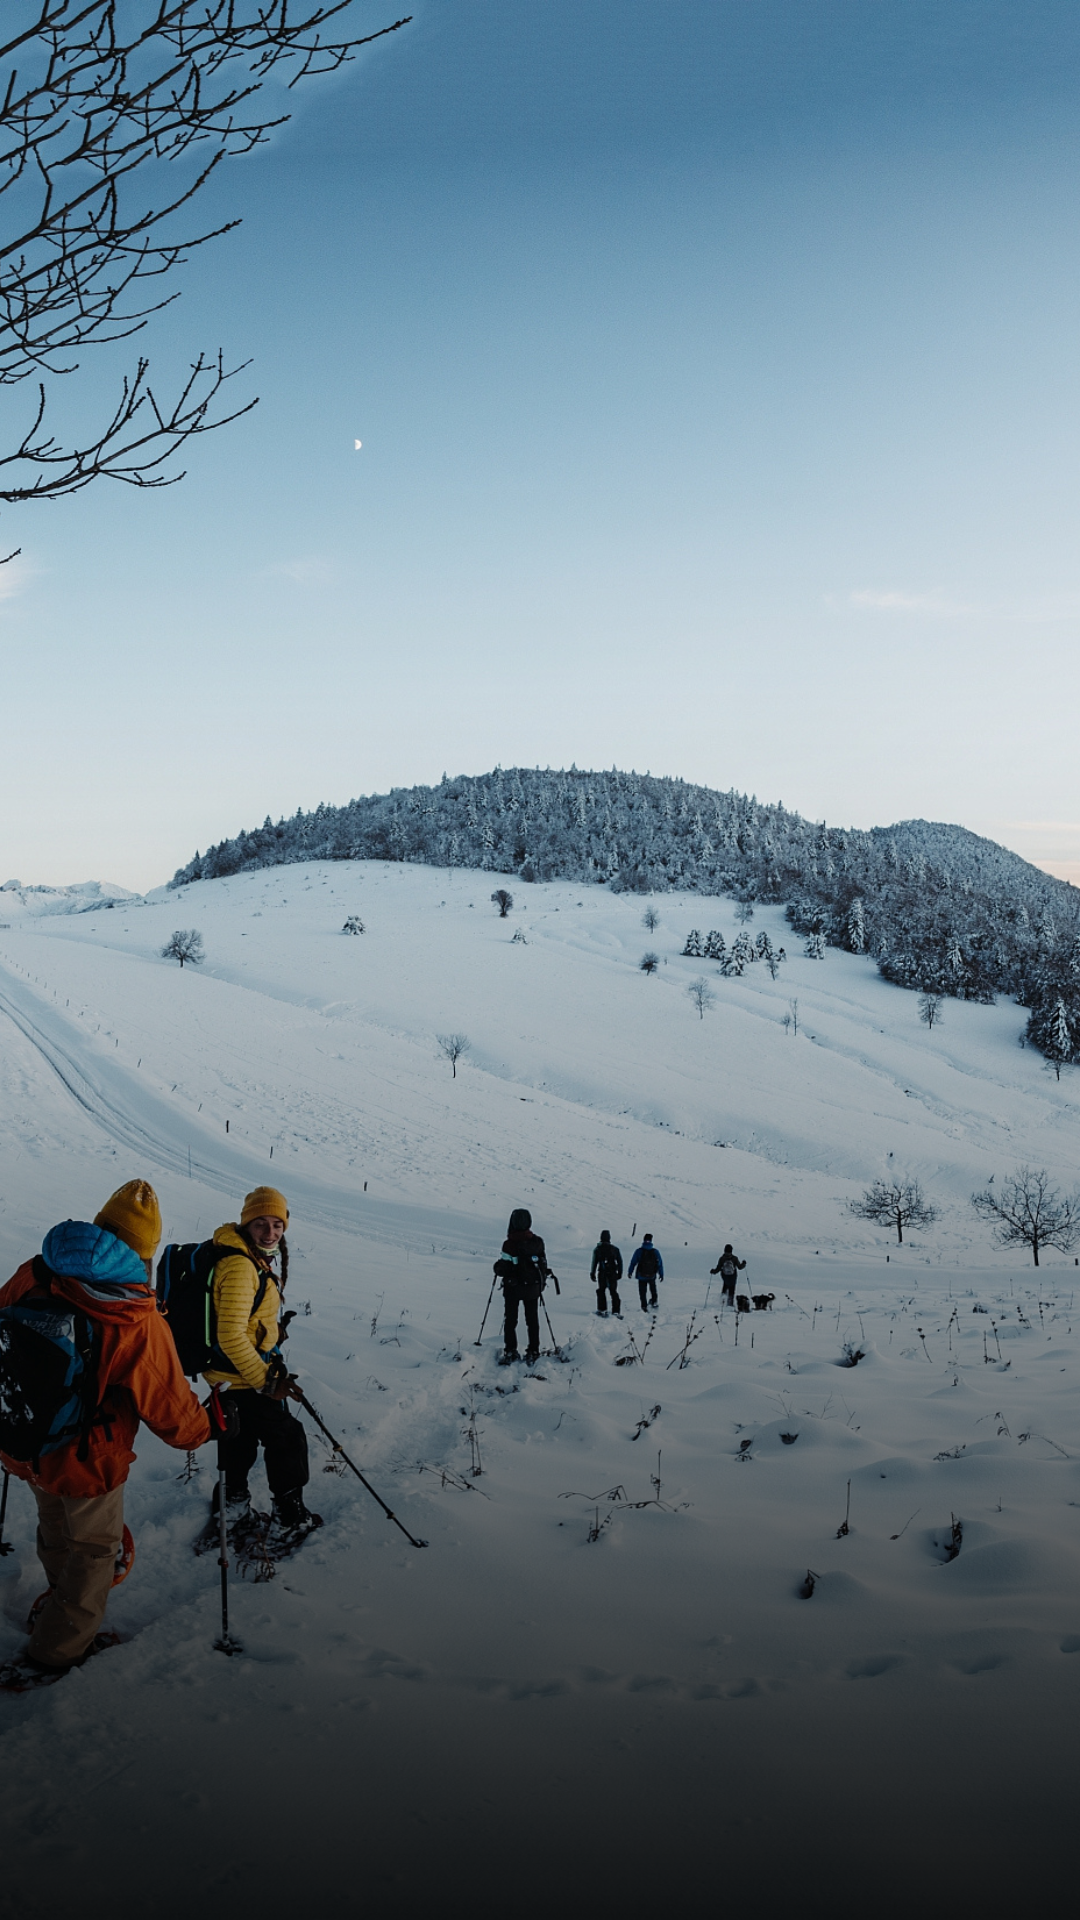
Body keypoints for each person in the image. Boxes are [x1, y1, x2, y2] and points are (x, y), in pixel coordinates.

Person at [0, 1181, 210, 1685]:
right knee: (95, 1549)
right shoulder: (133, 1312)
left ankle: (58, 1596)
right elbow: (170, 1410)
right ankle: (58, 1649)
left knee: (54, 1523)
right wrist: (204, 1432)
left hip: (24, 1441)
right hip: (88, 1457)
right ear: (146, 1248)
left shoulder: (37, 1269)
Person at [202, 1186, 321, 1549]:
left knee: (238, 1442)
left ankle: (232, 1510)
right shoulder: (240, 1264)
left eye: (277, 1226)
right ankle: (289, 1517)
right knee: (287, 1438)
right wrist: (267, 1383)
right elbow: (231, 1336)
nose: (270, 1233)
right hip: (242, 1377)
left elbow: (243, 1321)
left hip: (229, 1378)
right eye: (261, 1224)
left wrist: (272, 1333)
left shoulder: (247, 1257)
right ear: (246, 1224)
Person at [495, 1207, 549, 1363]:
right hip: (532, 1287)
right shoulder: (538, 1242)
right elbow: (543, 1264)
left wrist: (497, 1267)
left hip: (513, 1288)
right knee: (532, 1320)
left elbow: (504, 1268)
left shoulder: (509, 1244)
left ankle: (511, 1350)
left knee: (511, 1320)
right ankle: (533, 1350)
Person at [590, 1230, 623, 1317]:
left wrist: (592, 1273)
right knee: (613, 1291)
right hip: (612, 1273)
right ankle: (616, 1311)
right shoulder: (615, 1249)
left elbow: (594, 1262)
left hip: (602, 1273)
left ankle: (602, 1309)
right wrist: (620, 1272)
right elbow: (620, 1262)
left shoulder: (597, 1249)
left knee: (601, 1290)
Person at [628, 1233, 664, 1310]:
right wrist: (661, 1274)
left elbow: (633, 1262)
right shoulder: (655, 1251)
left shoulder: (639, 1251)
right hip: (652, 1275)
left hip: (641, 1275)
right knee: (653, 1289)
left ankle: (644, 1306)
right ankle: (654, 1302)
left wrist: (630, 1272)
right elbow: (659, 1264)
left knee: (642, 1292)